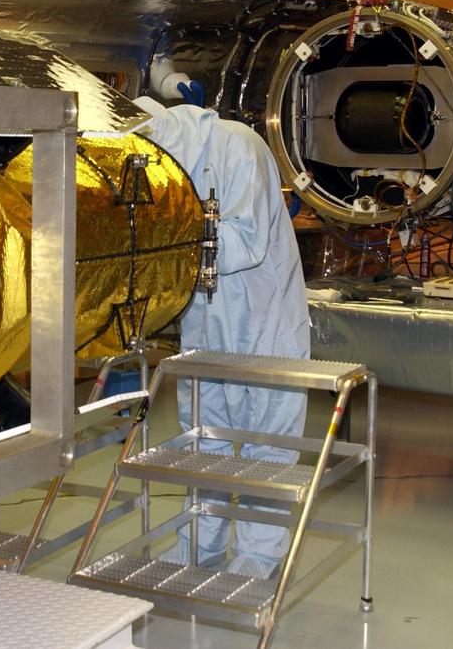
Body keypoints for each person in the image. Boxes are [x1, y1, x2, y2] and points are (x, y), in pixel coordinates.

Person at [132, 95, 311, 579]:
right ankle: (199, 543)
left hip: (264, 320)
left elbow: (246, 242)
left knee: (265, 441)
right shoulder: (163, 166)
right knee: (203, 437)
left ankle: (261, 554)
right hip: (205, 322)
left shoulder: (237, 145)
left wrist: (169, 238)